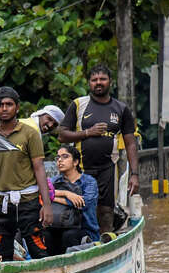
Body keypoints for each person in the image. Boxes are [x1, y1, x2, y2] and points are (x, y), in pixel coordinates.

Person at [57, 64, 139, 233]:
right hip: (80, 168)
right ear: (89, 83)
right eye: (94, 80)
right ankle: (82, 242)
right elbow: (62, 135)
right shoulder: (79, 105)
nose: (98, 83)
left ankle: (105, 240)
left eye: (103, 79)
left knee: (106, 210)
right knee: (80, 206)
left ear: (110, 82)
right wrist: (88, 132)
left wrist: (135, 174)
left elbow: (131, 143)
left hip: (108, 168)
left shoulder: (121, 109)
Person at [0, 86, 53, 261]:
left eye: (9, 104)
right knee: (2, 254)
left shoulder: (30, 134)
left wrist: (47, 205)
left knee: (38, 251)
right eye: (0, 105)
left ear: (17, 107)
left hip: (28, 203)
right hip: (0, 204)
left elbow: (39, 168)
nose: (4, 108)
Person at [44, 145, 99, 254]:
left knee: (69, 235)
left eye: (65, 156)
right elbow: (41, 193)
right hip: (57, 226)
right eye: (58, 157)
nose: (60, 160)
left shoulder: (88, 182)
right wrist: (66, 194)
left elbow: (83, 203)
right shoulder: (54, 181)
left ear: (75, 162)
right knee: (46, 235)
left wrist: (52, 197)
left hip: (83, 229)